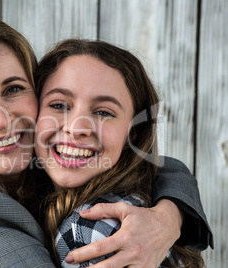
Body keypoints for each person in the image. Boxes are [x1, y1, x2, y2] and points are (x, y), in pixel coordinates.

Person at [0, 18, 212, 267]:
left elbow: (163, 166)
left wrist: (170, 215)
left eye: (12, 89)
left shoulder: (39, 177)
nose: (1, 119)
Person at [34, 39, 206, 267]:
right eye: (59, 105)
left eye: (103, 112)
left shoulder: (89, 232)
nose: (76, 128)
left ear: (133, 134)